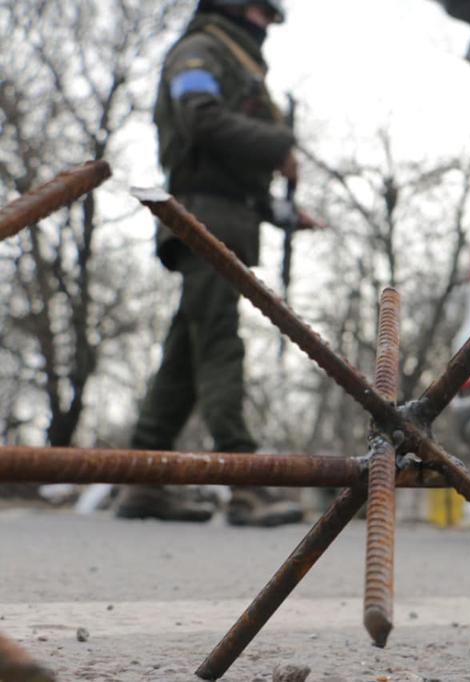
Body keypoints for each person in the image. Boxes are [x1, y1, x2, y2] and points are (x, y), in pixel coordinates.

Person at [116, 0, 321, 525]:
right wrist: (279, 143)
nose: (267, 25)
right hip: (202, 220)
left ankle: (144, 482)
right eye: (262, 13)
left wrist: (283, 212)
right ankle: (244, 484)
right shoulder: (202, 51)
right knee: (219, 345)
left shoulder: (236, 61)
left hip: (225, 219)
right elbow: (199, 119)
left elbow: (235, 180)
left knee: (187, 351)